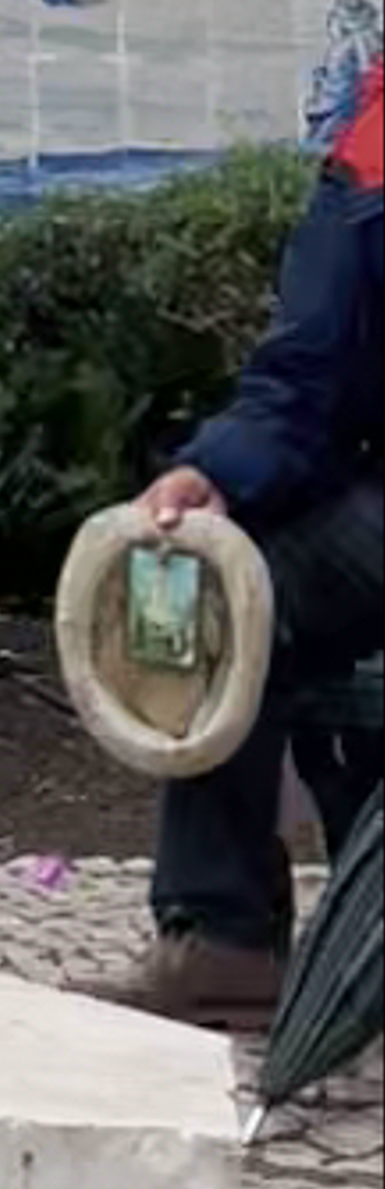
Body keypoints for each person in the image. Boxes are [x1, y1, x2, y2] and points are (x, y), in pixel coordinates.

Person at [115, 58, 384, 1025]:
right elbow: (307, 375)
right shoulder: (374, 143)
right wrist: (216, 474)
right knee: (210, 576)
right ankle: (227, 938)